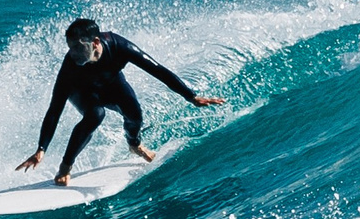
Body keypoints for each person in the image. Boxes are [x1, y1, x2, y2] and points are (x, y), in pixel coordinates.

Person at [17, 18, 225, 185]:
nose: (73, 53)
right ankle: (65, 167)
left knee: (134, 113)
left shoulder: (118, 46)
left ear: (96, 42)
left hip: (111, 84)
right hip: (82, 91)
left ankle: (134, 145)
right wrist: (41, 148)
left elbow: (157, 70)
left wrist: (190, 96)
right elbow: (55, 109)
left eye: (78, 47)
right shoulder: (70, 67)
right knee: (96, 115)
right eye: (70, 47)